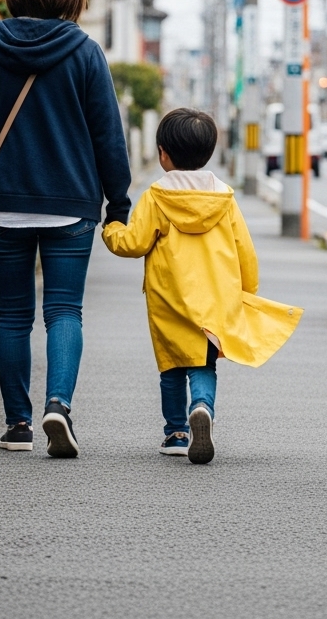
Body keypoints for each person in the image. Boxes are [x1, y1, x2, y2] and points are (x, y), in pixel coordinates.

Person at [0, 0, 132, 458]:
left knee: (13, 316)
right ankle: (58, 406)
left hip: (4, 204)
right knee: (64, 310)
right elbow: (108, 137)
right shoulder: (85, 52)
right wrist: (118, 204)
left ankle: (18, 425)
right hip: (71, 203)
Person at [102, 109, 302, 464]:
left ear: (163, 153)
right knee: (204, 364)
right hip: (215, 301)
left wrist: (111, 228)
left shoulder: (156, 197)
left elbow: (133, 243)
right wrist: (246, 292)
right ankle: (202, 408)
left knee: (171, 368)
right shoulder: (223, 199)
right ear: (208, 153)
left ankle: (176, 433)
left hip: (169, 300)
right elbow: (244, 251)